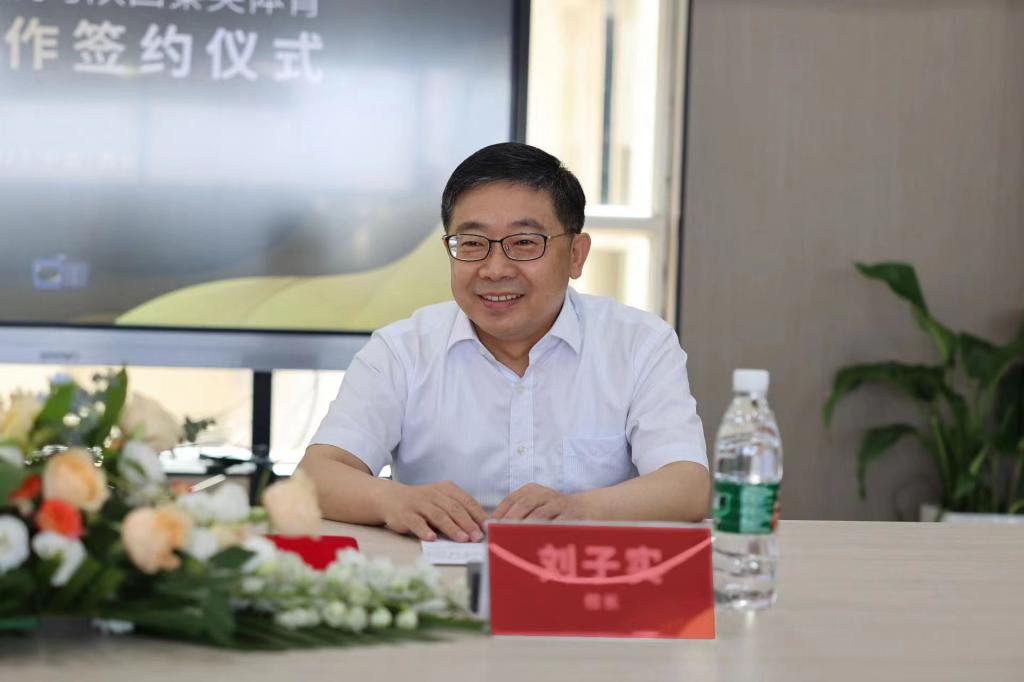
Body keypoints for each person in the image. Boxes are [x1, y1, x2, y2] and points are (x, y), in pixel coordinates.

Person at [299, 142, 709, 542]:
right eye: (472, 244)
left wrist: (581, 510)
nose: (495, 269)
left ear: (576, 255)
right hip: (437, 578)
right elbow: (316, 476)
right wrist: (394, 500)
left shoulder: (639, 344)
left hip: (587, 575)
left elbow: (688, 485)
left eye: (524, 243)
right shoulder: (402, 351)